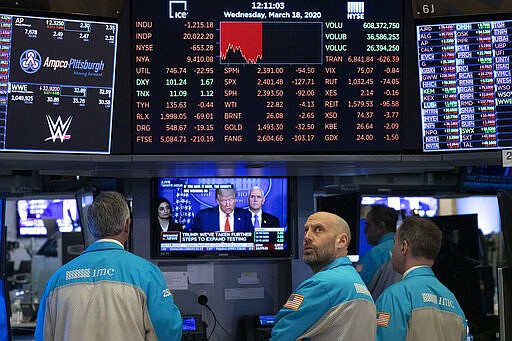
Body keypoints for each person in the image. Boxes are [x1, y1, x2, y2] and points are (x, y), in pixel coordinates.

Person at [35, 191, 182, 341]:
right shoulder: (147, 274)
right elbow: (168, 331)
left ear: (90, 227)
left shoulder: (57, 280)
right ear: (127, 224)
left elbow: (42, 337)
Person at [271, 212, 375, 341]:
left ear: (342, 241)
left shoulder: (322, 284)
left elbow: (281, 336)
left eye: (318, 230)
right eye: (306, 230)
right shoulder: (356, 281)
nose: (307, 237)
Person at [376, 216, 467, 341]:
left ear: (403, 247)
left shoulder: (394, 296)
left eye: (394, 243)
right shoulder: (453, 301)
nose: (392, 249)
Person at [356, 204, 401, 299]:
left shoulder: (375, 254)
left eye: (368, 225)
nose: (364, 230)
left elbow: (356, 288)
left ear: (381, 226)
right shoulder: (406, 249)